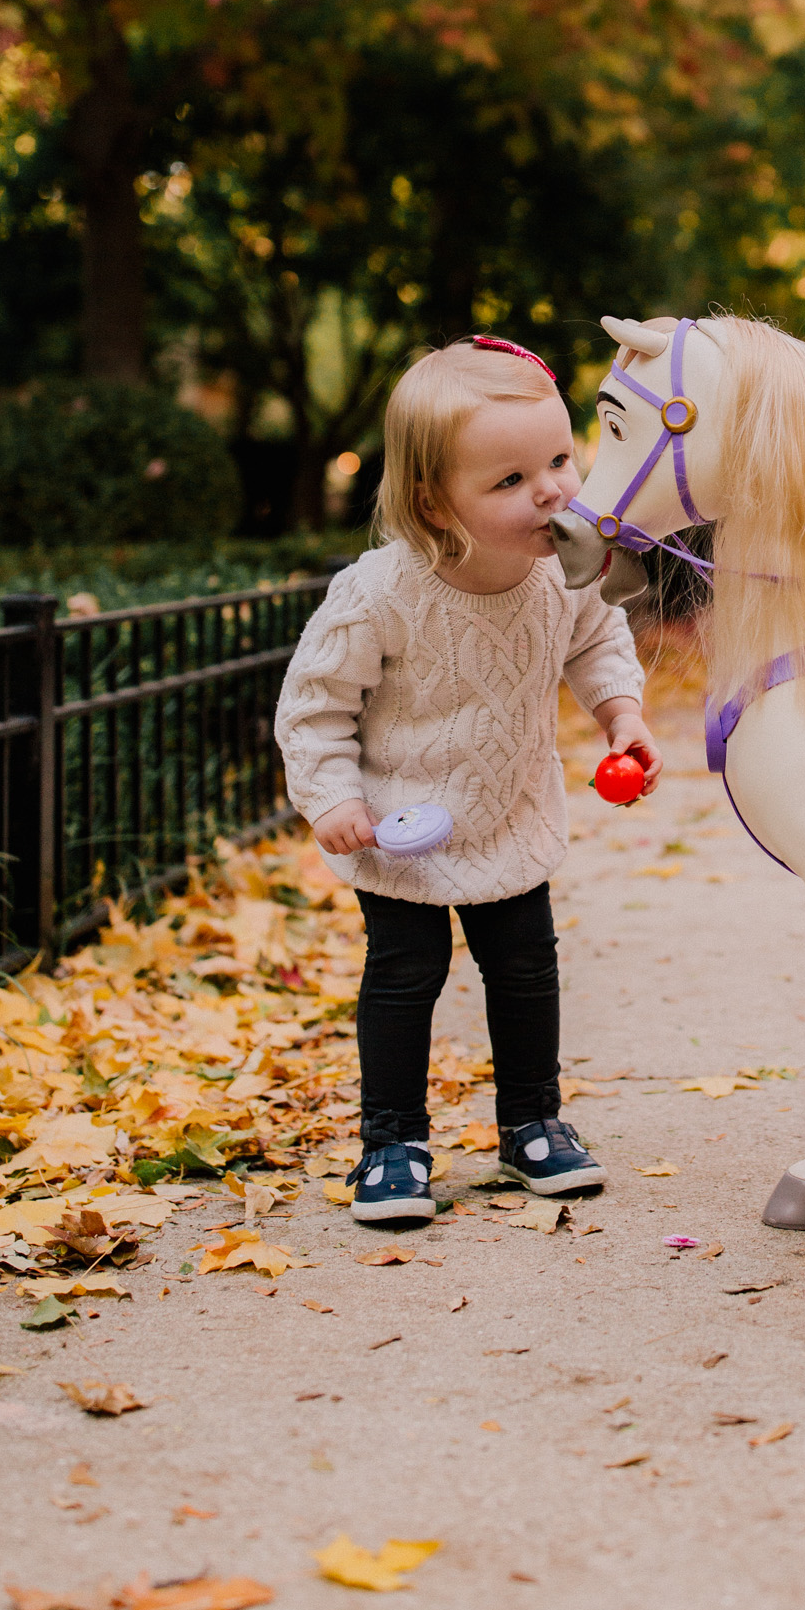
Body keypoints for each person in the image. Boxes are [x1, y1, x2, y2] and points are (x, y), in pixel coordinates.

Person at [275, 336, 659, 1225]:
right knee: (404, 977)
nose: (554, 489)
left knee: (526, 969)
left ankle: (533, 1123)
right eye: (511, 480)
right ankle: (393, 1141)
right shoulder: (381, 593)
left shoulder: (563, 570)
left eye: (560, 458)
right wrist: (330, 796)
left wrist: (622, 716)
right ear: (431, 500)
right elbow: (315, 706)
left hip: (511, 813)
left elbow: (599, 642)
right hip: (398, 827)